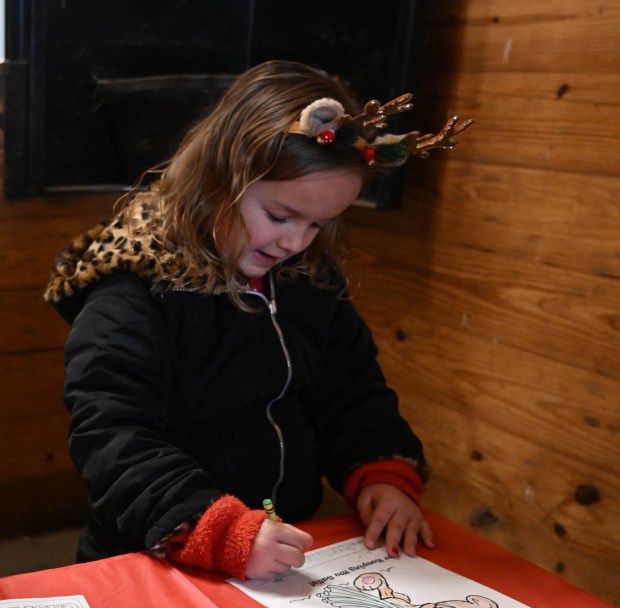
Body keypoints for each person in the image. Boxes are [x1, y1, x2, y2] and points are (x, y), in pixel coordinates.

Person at [45, 60, 471, 581]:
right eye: (279, 216)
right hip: (156, 554)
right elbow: (113, 437)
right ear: (218, 179)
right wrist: (217, 528)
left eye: (318, 224)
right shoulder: (135, 294)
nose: (295, 242)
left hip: (278, 553)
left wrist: (380, 471)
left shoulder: (305, 279)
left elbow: (350, 392)